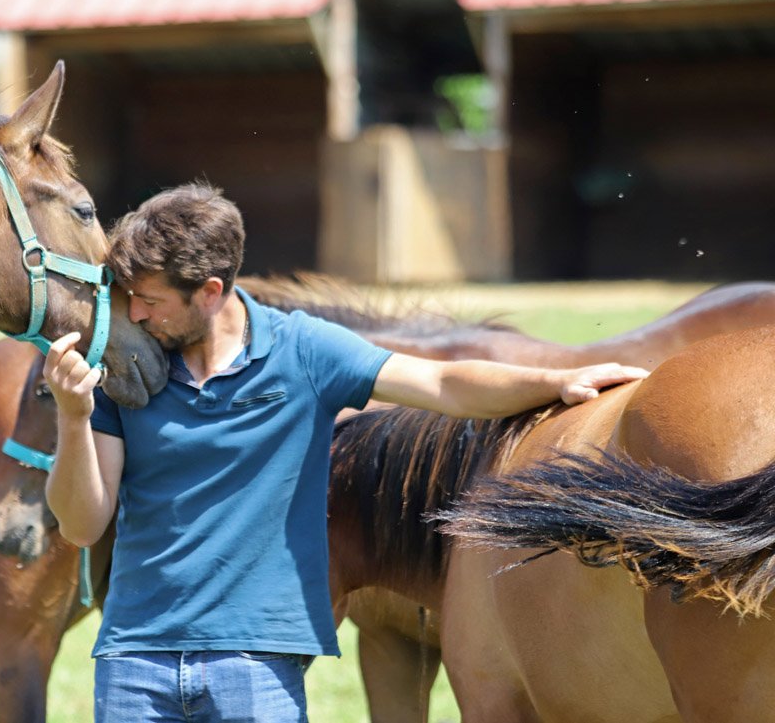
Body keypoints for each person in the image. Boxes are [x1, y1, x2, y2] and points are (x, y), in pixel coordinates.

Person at [43, 183, 647, 723]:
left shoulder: (302, 351)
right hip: (135, 661)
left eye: (149, 300)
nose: (134, 314)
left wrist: (555, 381)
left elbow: (442, 382)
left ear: (209, 293)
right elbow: (82, 523)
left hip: (256, 662)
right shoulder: (131, 373)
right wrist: (73, 417)